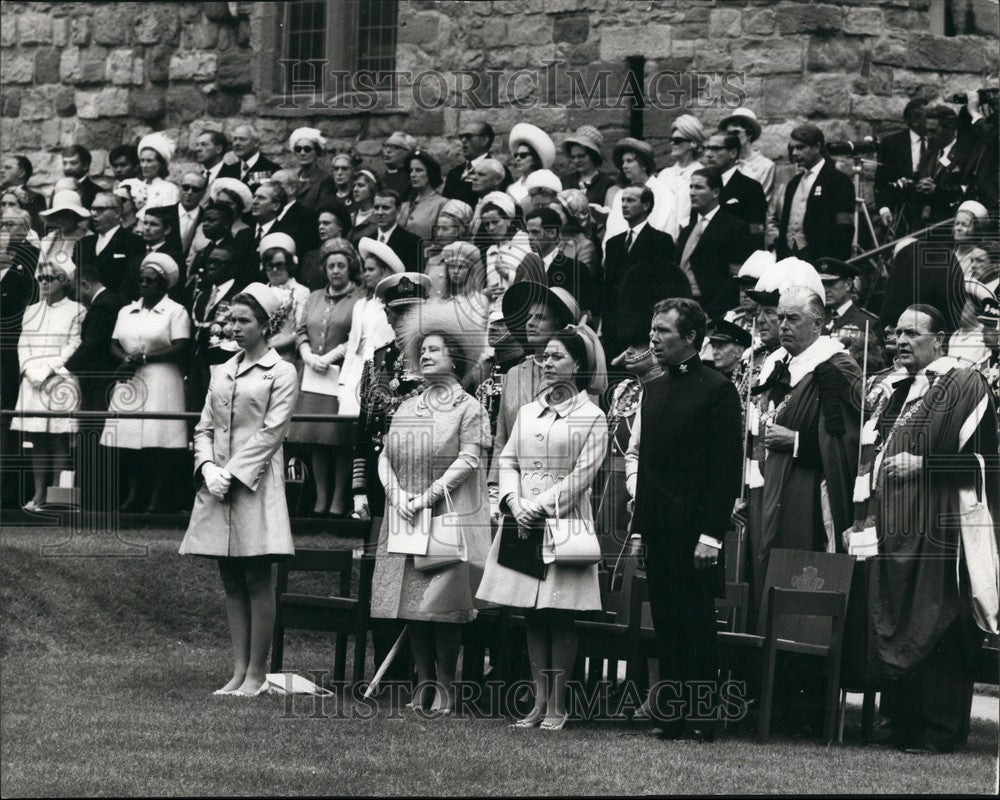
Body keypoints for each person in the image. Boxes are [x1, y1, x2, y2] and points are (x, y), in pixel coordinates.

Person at [852, 304, 998, 753]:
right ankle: (903, 722)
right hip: (892, 529)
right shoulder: (890, 389)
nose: (900, 341)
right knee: (894, 615)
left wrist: (925, 465)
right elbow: (870, 459)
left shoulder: (964, 384)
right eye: (896, 332)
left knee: (939, 621)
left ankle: (940, 730)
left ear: (941, 338)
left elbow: (988, 462)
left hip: (942, 529)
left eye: (912, 333)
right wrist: (861, 521)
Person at [476, 325, 608, 730]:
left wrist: (539, 507)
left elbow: (582, 476)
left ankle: (558, 704)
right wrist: (512, 501)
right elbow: (509, 459)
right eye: (545, 357)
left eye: (557, 357)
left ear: (578, 364)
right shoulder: (530, 410)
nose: (547, 364)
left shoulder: (592, 416)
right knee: (531, 613)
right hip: (523, 520)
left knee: (559, 611)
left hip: (563, 522)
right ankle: (537, 700)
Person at [625, 297, 742, 741]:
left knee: (696, 625)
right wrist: (639, 532)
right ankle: (670, 717)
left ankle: (702, 719)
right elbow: (649, 466)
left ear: (691, 337)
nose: (653, 338)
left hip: (697, 532)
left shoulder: (717, 389)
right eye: (653, 330)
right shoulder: (653, 389)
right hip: (659, 530)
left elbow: (725, 469)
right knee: (667, 625)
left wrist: (712, 535)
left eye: (664, 332)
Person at [179, 282, 299, 698]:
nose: (234, 327)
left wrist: (233, 471)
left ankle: (257, 672)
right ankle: (237, 671)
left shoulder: (282, 372)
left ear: (266, 326)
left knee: (256, 578)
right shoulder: (222, 370)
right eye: (231, 320)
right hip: (218, 485)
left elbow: (272, 432)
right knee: (230, 580)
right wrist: (207, 465)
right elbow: (204, 427)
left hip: (255, 485)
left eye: (244, 320)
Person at [370, 311, 492, 714]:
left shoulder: (468, 407)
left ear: (454, 358)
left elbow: (469, 459)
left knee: (443, 604)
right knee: (412, 602)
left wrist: (428, 496)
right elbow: (384, 456)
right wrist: (396, 493)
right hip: (405, 514)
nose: (424, 356)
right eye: (421, 350)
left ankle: (445, 683)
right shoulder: (408, 406)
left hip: (447, 515)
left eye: (434, 350)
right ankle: (422, 680)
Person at [749, 285, 861, 617]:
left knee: (801, 577)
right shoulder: (775, 365)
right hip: (767, 486)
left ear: (818, 323)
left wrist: (797, 443)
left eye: (793, 318)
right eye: (779, 316)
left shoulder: (836, 367)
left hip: (811, 490)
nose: (782, 325)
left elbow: (848, 442)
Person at [101, 252, 192, 512]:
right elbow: (114, 343)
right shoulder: (127, 310)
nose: (143, 284)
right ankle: (133, 494)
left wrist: (145, 357)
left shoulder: (176, 311)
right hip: (131, 378)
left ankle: (157, 496)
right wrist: (127, 360)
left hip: (161, 378)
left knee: (158, 440)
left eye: (150, 281)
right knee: (128, 439)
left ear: (163, 285)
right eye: (141, 280)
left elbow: (180, 346)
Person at [487, 282, 582, 515]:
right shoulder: (513, 374)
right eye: (529, 317)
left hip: (560, 497)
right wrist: (494, 490)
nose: (530, 323)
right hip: (512, 495)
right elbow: (502, 438)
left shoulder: (577, 376)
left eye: (540, 318)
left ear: (559, 325)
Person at [287, 238, 363, 516]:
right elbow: (301, 330)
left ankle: (339, 500)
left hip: (341, 375)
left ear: (350, 267)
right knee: (316, 438)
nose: (336, 271)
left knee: (339, 439)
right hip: (313, 375)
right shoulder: (314, 296)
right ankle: (320, 499)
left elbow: (356, 335)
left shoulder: (359, 299)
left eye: (341, 265)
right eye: (331, 266)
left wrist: (330, 358)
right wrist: (307, 354)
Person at [11, 257, 85, 510]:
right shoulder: (31, 310)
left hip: (59, 380)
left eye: (50, 278)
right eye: (41, 278)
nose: (44, 282)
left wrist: (47, 372)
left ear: (64, 281)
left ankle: (58, 497)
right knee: (37, 439)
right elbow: (23, 345)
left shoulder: (77, 310)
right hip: (32, 382)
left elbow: (73, 344)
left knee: (58, 439)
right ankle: (38, 495)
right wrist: (32, 372)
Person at [64, 263, 124, 513]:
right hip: (100, 380)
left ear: (85, 285)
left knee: (93, 436)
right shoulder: (110, 302)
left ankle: (94, 500)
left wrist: (65, 368)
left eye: (77, 290)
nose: (77, 297)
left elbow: (93, 344)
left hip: (99, 382)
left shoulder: (104, 306)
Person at [601, 186, 688, 354]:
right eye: (623, 200)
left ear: (646, 205)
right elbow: (608, 289)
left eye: (631, 200)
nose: (624, 205)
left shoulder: (661, 241)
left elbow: (663, 288)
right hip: (614, 326)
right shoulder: (614, 243)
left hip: (643, 325)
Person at [674, 167, 755, 320]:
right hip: (681, 307)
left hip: (711, 310)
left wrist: (710, 312)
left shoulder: (735, 227)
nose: (692, 192)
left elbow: (736, 278)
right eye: (690, 187)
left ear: (716, 192)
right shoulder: (687, 230)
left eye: (699, 187)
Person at [338, 238, 400, 417]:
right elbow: (352, 346)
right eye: (365, 269)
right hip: (356, 372)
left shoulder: (393, 308)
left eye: (371, 269)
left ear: (385, 271)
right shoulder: (361, 305)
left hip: (382, 372)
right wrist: (343, 383)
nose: (366, 274)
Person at [775, 125, 854, 261]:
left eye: (800, 147)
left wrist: (834, 265)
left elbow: (844, 230)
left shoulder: (839, 181)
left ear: (817, 147)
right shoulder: (794, 183)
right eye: (792, 148)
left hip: (818, 259)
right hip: (788, 257)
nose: (794, 153)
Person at [604, 137, 678, 246]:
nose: (624, 166)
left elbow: (667, 229)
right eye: (623, 162)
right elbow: (611, 231)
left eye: (629, 161)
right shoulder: (620, 195)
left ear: (644, 165)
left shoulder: (663, 192)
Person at [701, 131, 767, 250]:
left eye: (716, 149)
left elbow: (758, 228)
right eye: (707, 148)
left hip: (736, 257)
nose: (709, 154)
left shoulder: (750, 187)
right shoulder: (702, 185)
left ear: (733, 153)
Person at [874, 98, 930, 230]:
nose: (929, 121)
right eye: (921, 116)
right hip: (901, 211)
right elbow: (881, 181)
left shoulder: (938, 140)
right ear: (911, 120)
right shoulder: (892, 144)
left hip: (932, 212)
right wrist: (884, 209)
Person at [78, 192, 145, 300]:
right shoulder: (83, 243)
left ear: (117, 212)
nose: (94, 214)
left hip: (116, 307)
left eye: (100, 210)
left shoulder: (133, 242)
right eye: (93, 209)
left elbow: (130, 284)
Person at [261, 234, 310, 363]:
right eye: (269, 266)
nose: (274, 270)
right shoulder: (260, 291)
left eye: (279, 265)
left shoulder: (301, 292)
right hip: (257, 355)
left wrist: (268, 347)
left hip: (285, 356)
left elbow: (300, 330)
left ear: (289, 265)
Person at [657, 114, 706, 234]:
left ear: (693, 143)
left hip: (688, 238)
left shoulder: (702, 174)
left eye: (678, 140)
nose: (672, 144)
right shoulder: (664, 175)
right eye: (671, 140)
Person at [444, 122, 510, 208]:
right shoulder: (454, 172)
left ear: (484, 140)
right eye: (461, 137)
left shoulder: (497, 171)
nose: (463, 141)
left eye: (469, 137)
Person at [818, 258, 880, 346]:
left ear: (848, 284)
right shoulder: (816, 318)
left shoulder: (867, 322)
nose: (825, 290)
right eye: (823, 284)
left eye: (831, 283)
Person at [720, 107, 776, 203]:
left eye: (736, 133)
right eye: (729, 134)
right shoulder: (727, 162)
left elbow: (761, 200)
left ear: (749, 134)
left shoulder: (765, 165)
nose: (732, 137)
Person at [423, 199, 474, 299]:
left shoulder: (470, 258)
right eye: (438, 229)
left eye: (445, 229)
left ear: (460, 230)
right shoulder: (433, 259)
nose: (439, 234)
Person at [298, 204, 353, 291]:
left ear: (340, 226)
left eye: (326, 223)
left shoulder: (351, 254)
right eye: (319, 223)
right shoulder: (309, 257)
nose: (321, 227)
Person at [563, 125, 617, 209]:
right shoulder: (566, 181)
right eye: (573, 157)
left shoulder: (606, 184)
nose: (576, 161)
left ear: (593, 156)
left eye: (581, 156)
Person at [398, 151, 448, 241]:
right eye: (411, 170)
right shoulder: (405, 205)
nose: (413, 174)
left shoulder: (442, 204)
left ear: (430, 173)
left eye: (418, 170)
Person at [287, 127, 339, 212]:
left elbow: (324, 210)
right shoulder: (292, 178)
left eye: (307, 149)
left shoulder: (325, 180)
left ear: (317, 152)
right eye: (298, 149)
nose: (302, 153)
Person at [372, 189, 424, 272]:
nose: (379, 212)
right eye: (376, 207)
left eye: (385, 208)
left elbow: (414, 279)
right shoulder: (367, 240)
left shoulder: (413, 243)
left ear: (399, 210)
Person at [38, 190, 90, 272]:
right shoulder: (48, 239)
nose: (60, 220)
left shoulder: (89, 239)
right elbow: (39, 271)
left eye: (65, 215)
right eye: (57, 215)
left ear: (75, 215)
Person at [507, 123, 556, 207]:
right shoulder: (511, 189)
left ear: (536, 159)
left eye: (523, 155)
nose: (518, 159)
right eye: (516, 155)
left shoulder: (547, 185)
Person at [219, 122, 281, 189]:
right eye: (235, 139)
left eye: (242, 139)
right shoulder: (228, 171)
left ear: (256, 143)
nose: (237, 143)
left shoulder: (271, 170)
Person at [135, 132, 180, 210]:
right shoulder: (135, 186)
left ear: (161, 164)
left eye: (149, 161)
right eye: (142, 160)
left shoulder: (169, 189)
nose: (144, 165)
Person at [61, 144, 103, 209]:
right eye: (64, 163)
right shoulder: (58, 190)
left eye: (73, 163)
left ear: (85, 166)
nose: (67, 168)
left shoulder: (98, 193)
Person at [380, 131, 417, 198]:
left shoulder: (412, 180)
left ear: (408, 152)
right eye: (386, 146)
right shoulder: (379, 178)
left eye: (394, 147)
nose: (388, 150)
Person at [348, 170, 379, 246]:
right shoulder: (350, 217)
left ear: (371, 189)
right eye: (354, 186)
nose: (355, 189)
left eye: (360, 185)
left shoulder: (378, 218)